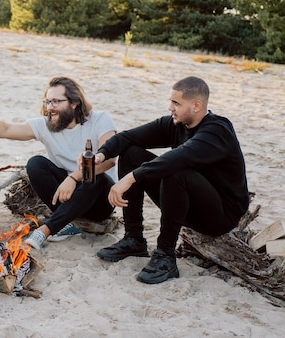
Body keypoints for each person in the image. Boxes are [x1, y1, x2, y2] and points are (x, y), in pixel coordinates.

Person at [95, 76, 250, 284]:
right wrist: (102, 154)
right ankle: (134, 239)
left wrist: (130, 178)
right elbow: (128, 137)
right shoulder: (176, 124)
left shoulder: (217, 131)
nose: (170, 107)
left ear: (197, 105)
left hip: (220, 215)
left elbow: (180, 157)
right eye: (171, 102)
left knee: (175, 170)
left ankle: (165, 255)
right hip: (185, 203)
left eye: (176, 103)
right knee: (131, 153)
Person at [0, 76, 117, 250]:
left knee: (94, 177)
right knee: (35, 163)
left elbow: (111, 159)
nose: (49, 108)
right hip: (67, 196)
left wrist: (74, 177)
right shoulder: (46, 125)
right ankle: (67, 223)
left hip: (99, 201)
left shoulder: (99, 119)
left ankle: (46, 230)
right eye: (47, 102)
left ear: (74, 103)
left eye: (55, 102)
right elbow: (7, 129)